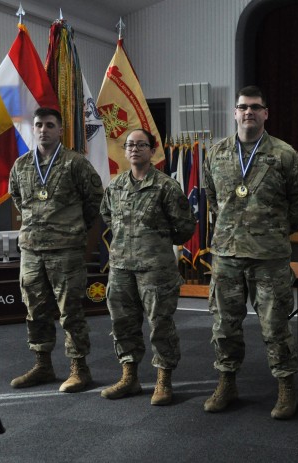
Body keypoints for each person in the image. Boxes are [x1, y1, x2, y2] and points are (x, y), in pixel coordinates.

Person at [202, 85, 298, 419]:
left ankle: (286, 387)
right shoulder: (216, 153)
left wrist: (279, 231)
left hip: (270, 257)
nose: (248, 112)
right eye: (242, 107)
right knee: (223, 325)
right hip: (226, 255)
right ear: (234, 113)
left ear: (266, 113)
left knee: (275, 326)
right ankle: (226, 382)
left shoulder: (284, 155)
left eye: (255, 107)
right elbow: (212, 198)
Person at [8, 107, 103, 393]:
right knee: (34, 309)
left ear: (60, 130)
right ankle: (42, 365)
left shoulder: (76, 163)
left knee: (70, 311)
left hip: (66, 251)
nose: (43, 130)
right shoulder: (21, 165)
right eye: (39, 125)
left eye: (50, 125)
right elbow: (18, 199)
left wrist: (72, 230)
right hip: (31, 251)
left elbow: (94, 202)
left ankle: (79, 369)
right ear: (33, 129)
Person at [99, 129, 196, 405]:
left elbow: (186, 226)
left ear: (152, 151)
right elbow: (107, 215)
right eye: (130, 145)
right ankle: (129, 377)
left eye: (141, 145)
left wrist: (158, 241)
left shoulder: (165, 186)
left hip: (156, 269)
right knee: (122, 324)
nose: (134, 149)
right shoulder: (116, 186)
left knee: (160, 325)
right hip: (120, 267)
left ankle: (164, 381)